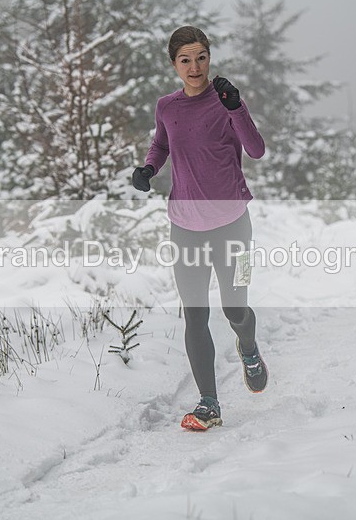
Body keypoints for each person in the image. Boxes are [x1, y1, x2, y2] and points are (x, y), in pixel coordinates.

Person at [132, 26, 268, 431]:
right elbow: (162, 144)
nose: (195, 67)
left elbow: (256, 150)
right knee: (195, 315)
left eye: (201, 57)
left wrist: (236, 107)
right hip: (185, 226)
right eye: (185, 60)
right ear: (174, 64)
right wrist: (148, 168)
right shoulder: (167, 106)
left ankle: (249, 348)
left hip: (234, 225)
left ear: (210, 57)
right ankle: (209, 402)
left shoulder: (226, 100)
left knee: (235, 307)